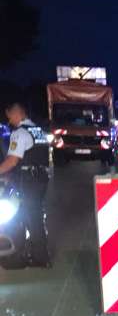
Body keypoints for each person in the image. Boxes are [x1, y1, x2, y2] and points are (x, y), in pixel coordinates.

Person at [0, 102, 50, 266]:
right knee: (35, 215)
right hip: (42, 177)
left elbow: (12, 161)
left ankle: (40, 258)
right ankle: (36, 251)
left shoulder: (20, 133)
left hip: (30, 179)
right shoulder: (38, 131)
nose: (9, 122)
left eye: (10, 118)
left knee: (32, 217)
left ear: (17, 114)